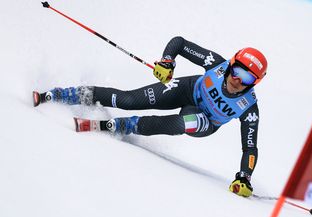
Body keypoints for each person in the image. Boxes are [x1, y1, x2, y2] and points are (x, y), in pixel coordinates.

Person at [33, 36, 268, 197]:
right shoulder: (216, 64)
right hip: (187, 89)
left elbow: (250, 148)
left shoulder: (248, 107)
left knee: (182, 123)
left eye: (247, 79)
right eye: (236, 72)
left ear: (254, 84)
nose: (237, 81)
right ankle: (64, 94)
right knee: (127, 100)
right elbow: (180, 43)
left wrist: (244, 177)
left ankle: (124, 126)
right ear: (230, 65)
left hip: (204, 120)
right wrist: (168, 62)